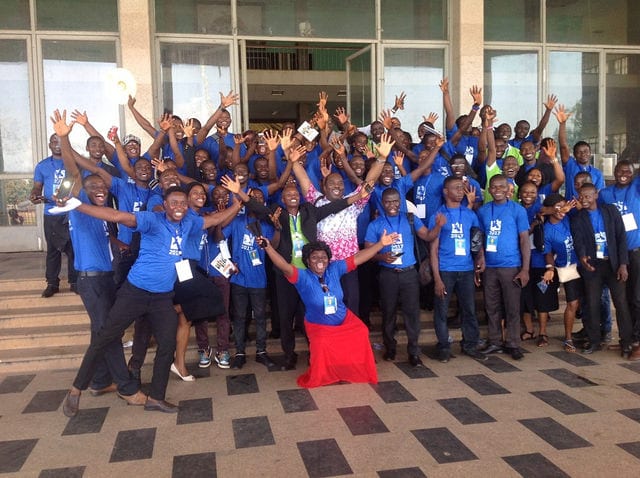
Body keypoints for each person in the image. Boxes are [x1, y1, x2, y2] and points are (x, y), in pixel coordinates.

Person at [60, 170, 243, 416]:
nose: (178, 206)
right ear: (164, 205)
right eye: (173, 203)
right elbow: (116, 215)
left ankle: (156, 398)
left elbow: (214, 220)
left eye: (182, 203)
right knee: (104, 338)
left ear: (187, 206)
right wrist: (78, 205)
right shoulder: (151, 220)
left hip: (162, 298)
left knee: (167, 345)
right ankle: (75, 390)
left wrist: (239, 201)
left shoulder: (190, 221)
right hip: (134, 292)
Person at [52, 111, 146, 411]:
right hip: (91, 280)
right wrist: (65, 137)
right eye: (93, 187)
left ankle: (98, 381)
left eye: (102, 187)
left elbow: (105, 236)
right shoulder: (79, 205)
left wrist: (119, 243)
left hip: (106, 276)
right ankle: (127, 388)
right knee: (110, 331)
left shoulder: (102, 215)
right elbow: (74, 171)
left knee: (101, 331)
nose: (99, 189)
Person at [262, 230, 398, 387]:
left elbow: (359, 258)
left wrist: (380, 244)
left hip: (343, 319)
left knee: (361, 331)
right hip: (318, 325)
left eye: (323, 257)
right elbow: (283, 265)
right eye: (314, 257)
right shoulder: (302, 277)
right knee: (322, 342)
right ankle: (329, 372)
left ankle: (348, 369)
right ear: (307, 260)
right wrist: (268, 248)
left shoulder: (335, 269)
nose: (320, 260)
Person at [364, 188, 444, 367]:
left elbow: (428, 235)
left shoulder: (410, 219)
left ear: (400, 202)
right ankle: (390, 347)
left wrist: (438, 226)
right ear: (382, 203)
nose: (392, 205)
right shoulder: (375, 225)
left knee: (412, 313)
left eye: (395, 201)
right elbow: (368, 252)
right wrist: (382, 256)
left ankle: (414, 351)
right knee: (388, 312)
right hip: (387, 274)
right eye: (388, 202)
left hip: (409, 273)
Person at [570, 183, 634, 356]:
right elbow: (578, 240)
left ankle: (626, 342)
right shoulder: (577, 217)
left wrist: (623, 264)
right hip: (593, 266)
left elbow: (621, 237)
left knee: (621, 303)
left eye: (587, 196)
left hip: (613, 264)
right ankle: (594, 341)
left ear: (596, 195)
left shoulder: (610, 211)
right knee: (591, 304)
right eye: (581, 196)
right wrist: (582, 256)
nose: (584, 199)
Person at [429, 176, 487, 363]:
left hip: (467, 269)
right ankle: (444, 346)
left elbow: (476, 239)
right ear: (446, 192)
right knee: (442, 310)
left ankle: (470, 344)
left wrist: (480, 258)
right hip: (446, 270)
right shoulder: (438, 216)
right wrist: (437, 278)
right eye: (456, 188)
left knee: (469, 309)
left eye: (462, 188)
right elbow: (434, 250)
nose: (460, 191)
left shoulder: (470, 214)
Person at [477, 174, 530, 360]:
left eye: (501, 187)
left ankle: (513, 343)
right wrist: (481, 259)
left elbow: (524, 240)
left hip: (511, 266)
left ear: (509, 189)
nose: (497, 190)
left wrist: (525, 269)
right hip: (490, 267)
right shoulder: (483, 211)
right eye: (494, 187)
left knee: (512, 307)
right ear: (490, 190)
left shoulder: (518, 210)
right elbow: (480, 239)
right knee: (491, 306)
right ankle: (495, 341)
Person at [598, 160, 640, 359]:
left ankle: (637, 341)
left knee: (637, 297)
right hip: (617, 254)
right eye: (620, 170)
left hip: (636, 251)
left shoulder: (635, 188)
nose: (624, 174)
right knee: (623, 299)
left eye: (628, 171)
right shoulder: (605, 194)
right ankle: (627, 339)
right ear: (613, 172)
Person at [30, 133, 77, 297]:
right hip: (51, 212)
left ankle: (75, 282)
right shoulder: (42, 166)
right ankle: (52, 283)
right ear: (50, 145)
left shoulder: (73, 163)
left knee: (73, 249)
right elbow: (37, 186)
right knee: (53, 250)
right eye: (54, 141)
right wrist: (35, 194)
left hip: (72, 212)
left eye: (60, 141)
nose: (57, 144)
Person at [542, 193, 582, 352]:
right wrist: (550, 268)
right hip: (566, 267)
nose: (562, 210)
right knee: (572, 302)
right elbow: (548, 252)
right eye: (558, 207)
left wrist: (572, 208)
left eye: (564, 206)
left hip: (582, 263)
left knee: (581, 302)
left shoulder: (568, 217)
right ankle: (568, 338)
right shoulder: (548, 229)